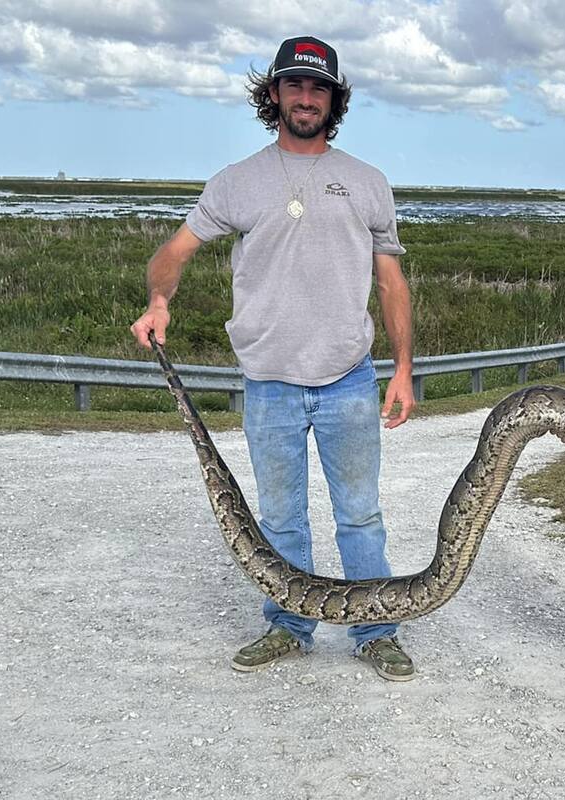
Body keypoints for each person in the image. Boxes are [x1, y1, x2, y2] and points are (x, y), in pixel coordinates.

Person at [131, 36, 417, 681]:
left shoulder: (368, 182)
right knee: (281, 520)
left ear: (334, 99)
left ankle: (376, 631)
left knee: (361, 515)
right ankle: (290, 625)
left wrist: (401, 368)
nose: (306, 98)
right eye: (295, 86)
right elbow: (173, 254)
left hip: (349, 378)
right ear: (274, 96)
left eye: (319, 88)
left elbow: (391, 282)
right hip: (267, 384)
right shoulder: (237, 182)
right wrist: (158, 301)